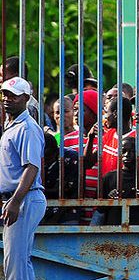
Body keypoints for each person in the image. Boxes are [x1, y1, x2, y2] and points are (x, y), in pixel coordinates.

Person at [0, 77, 47, 280]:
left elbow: (32, 167)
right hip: (19, 198)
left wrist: (15, 201)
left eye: (14, 95)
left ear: (26, 99)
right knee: (22, 262)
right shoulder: (12, 126)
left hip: (24, 198)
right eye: (5, 94)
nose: (8, 98)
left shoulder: (27, 128)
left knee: (15, 263)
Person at [98, 136, 139, 225]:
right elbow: (99, 208)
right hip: (114, 231)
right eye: (123, 151)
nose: (127, 155)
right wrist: (108, 199)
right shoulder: (108, 178)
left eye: (132, 151)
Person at [63, 89, 100, 224]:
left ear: (94, 112)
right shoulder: (66, 140)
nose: (77, 114)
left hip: (98, 203)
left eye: (82, 110)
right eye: (75, 109)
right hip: (73, 204)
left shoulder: (105, 138)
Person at [41, 133, 80, 224]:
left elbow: (71, 192)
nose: (45, 161)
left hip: (68, 212)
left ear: (56, 150)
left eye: (48, 156)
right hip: (41, 210)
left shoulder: (71, 158)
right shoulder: (34, 157)